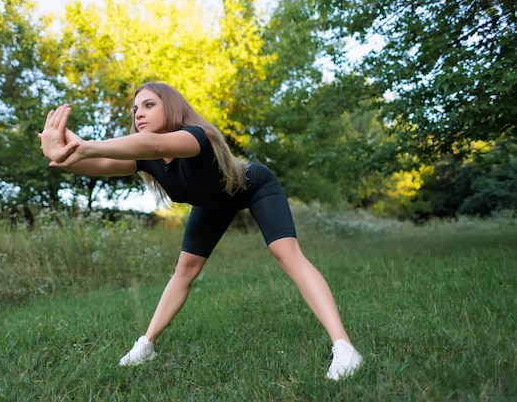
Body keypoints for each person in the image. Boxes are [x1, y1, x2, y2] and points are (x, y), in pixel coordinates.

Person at [39, 82, 363, 380]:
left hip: (252, 186)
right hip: (212, 202)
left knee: (285, 253)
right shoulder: (146, 159)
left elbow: (151, 144)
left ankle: (344, 348)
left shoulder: (195, 136)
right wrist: (63, 156)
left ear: (171, 106)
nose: (139, 113)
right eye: (135, 109)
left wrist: (86, 145)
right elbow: (98, 164)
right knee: (185, 270)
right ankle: (146, 345)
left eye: (149, 104)